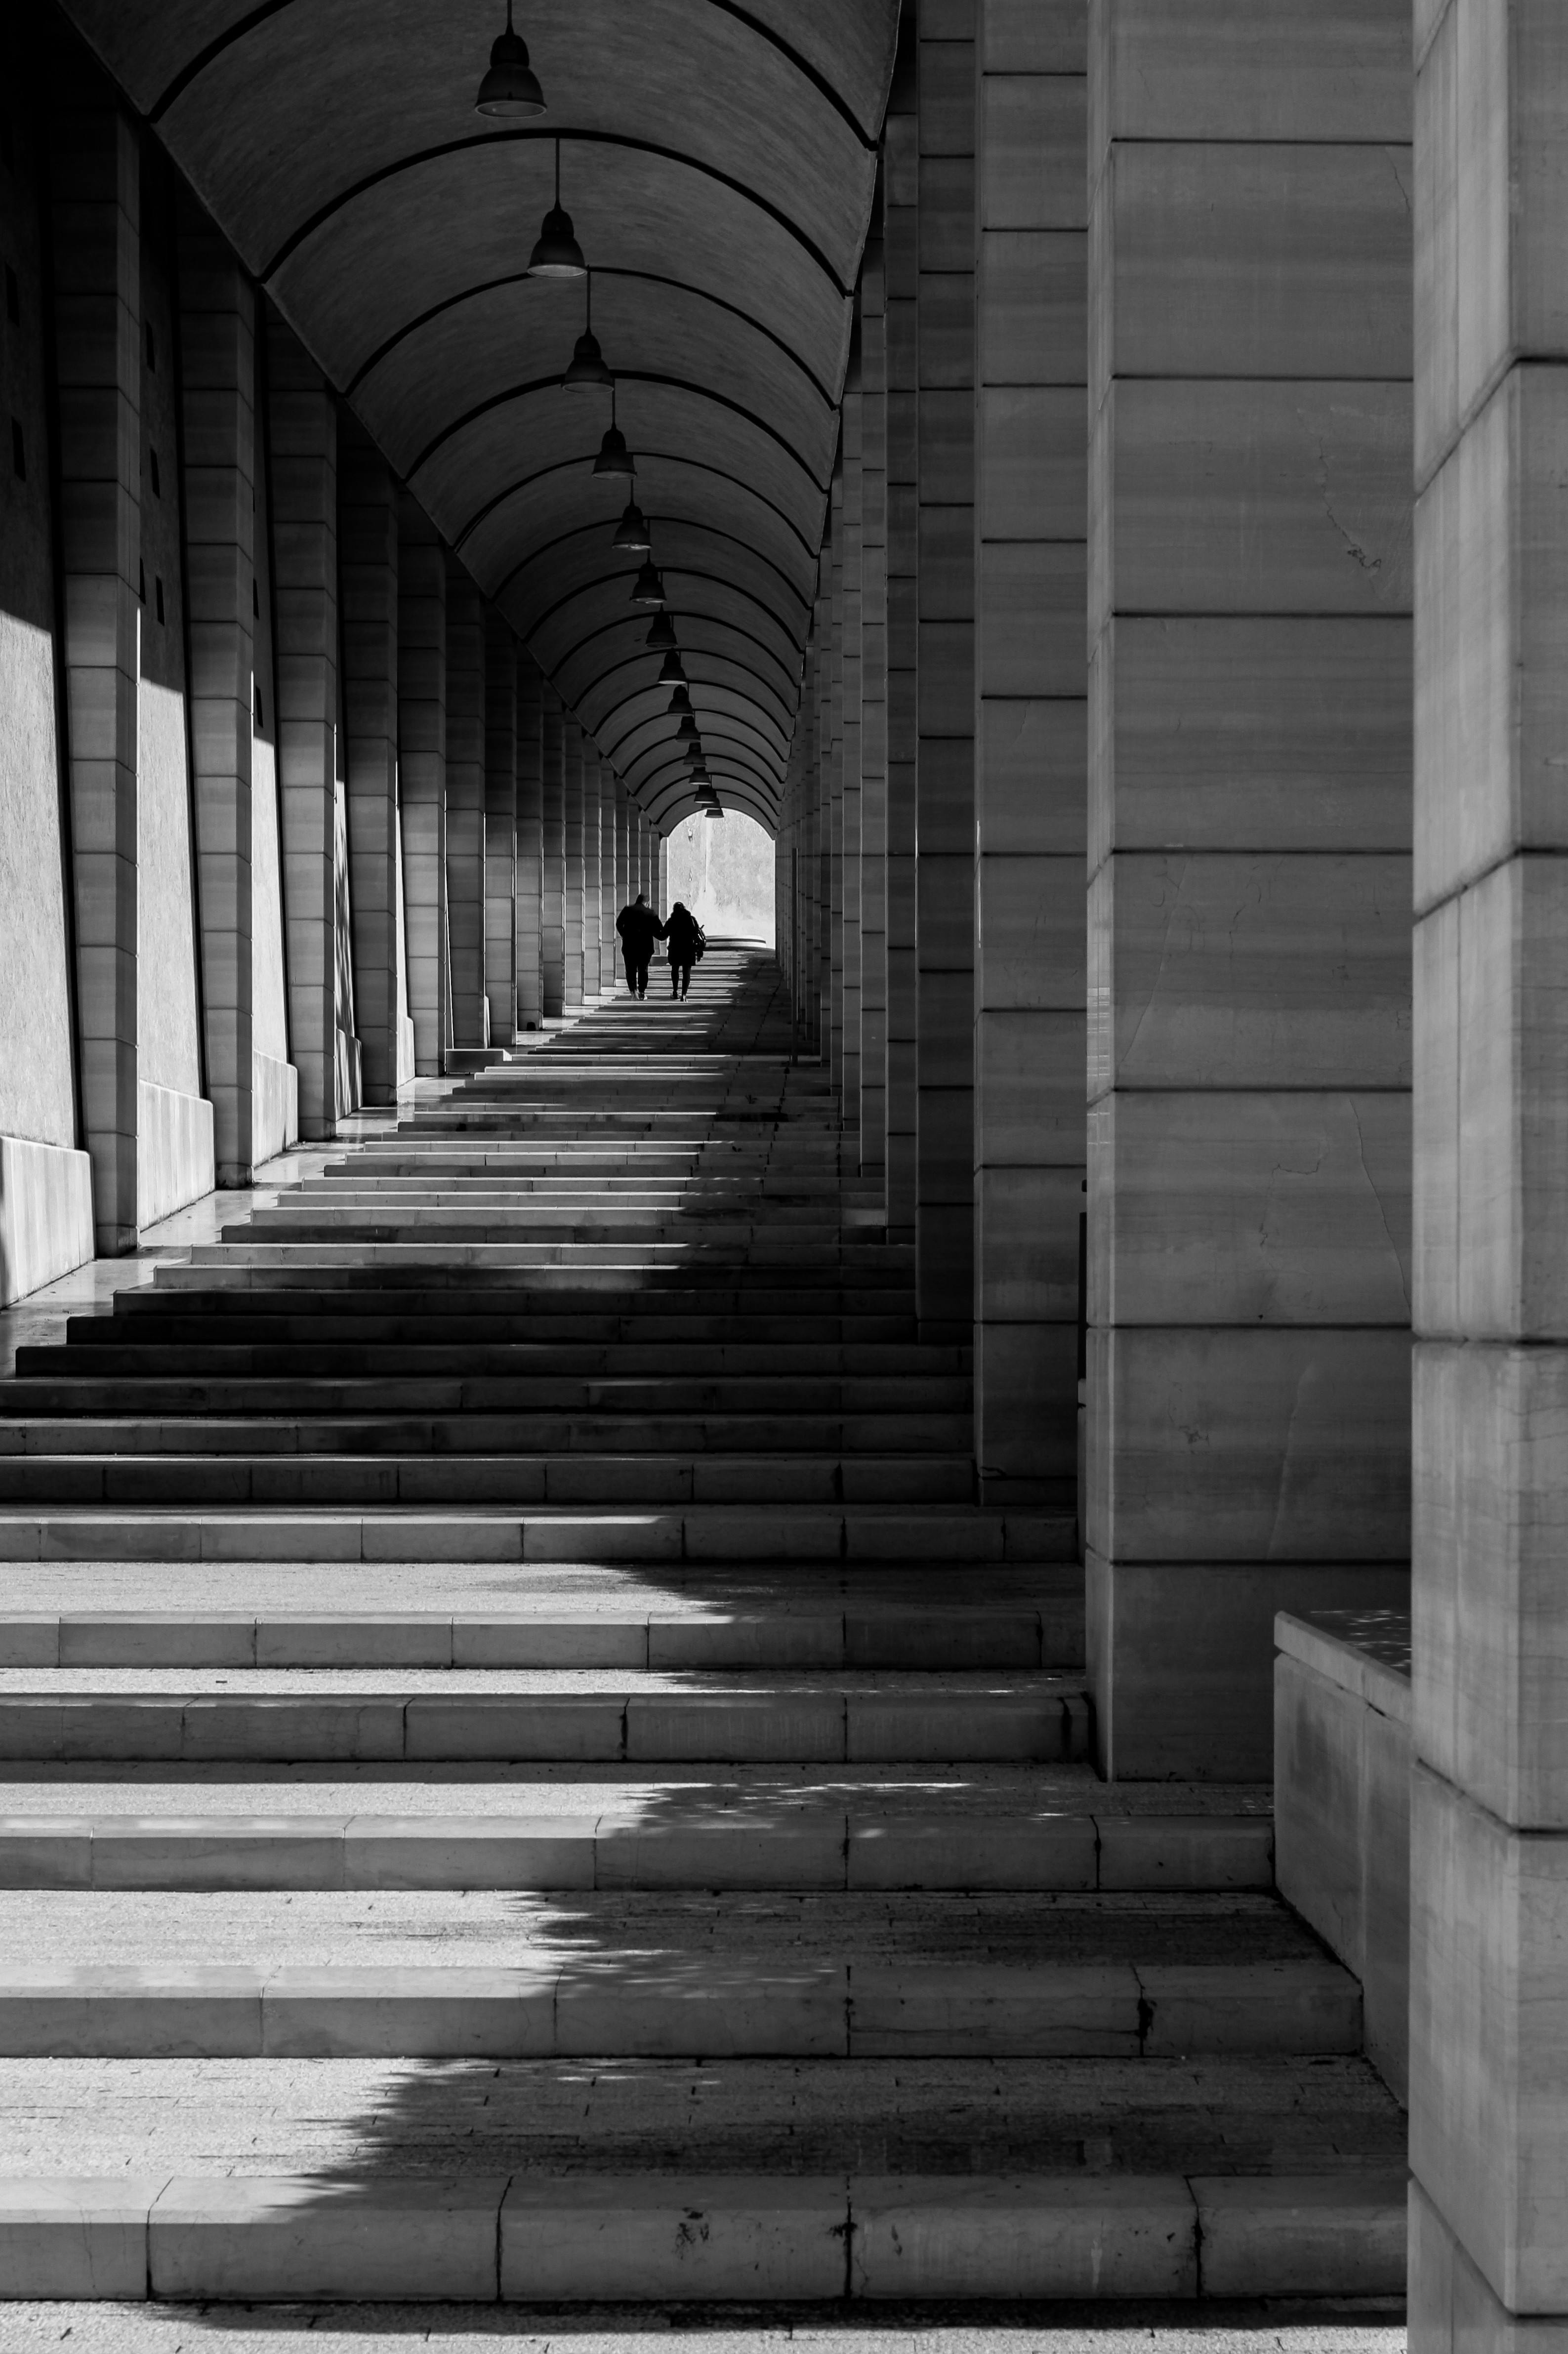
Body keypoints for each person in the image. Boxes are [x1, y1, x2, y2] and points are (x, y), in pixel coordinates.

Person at [614, 891, 664, 999]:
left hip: (629, 945)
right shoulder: (650, 913)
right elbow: (660, 929)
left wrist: (624, 935)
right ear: (646, 903)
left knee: (630, 969)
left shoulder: (627, 910)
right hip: (645, 947)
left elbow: (618, 924)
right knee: (643, 969)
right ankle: (641, 991)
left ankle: (633, 991)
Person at [663, 900, 705, 999]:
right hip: (688, 949)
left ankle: (675, 992)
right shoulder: (691, 919)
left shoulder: (671, 921)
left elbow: (664, 934)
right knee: (687, 972)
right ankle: (684, 995)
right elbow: (697, 934)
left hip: (675, 949)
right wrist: (699, 951)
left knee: (675, 970)